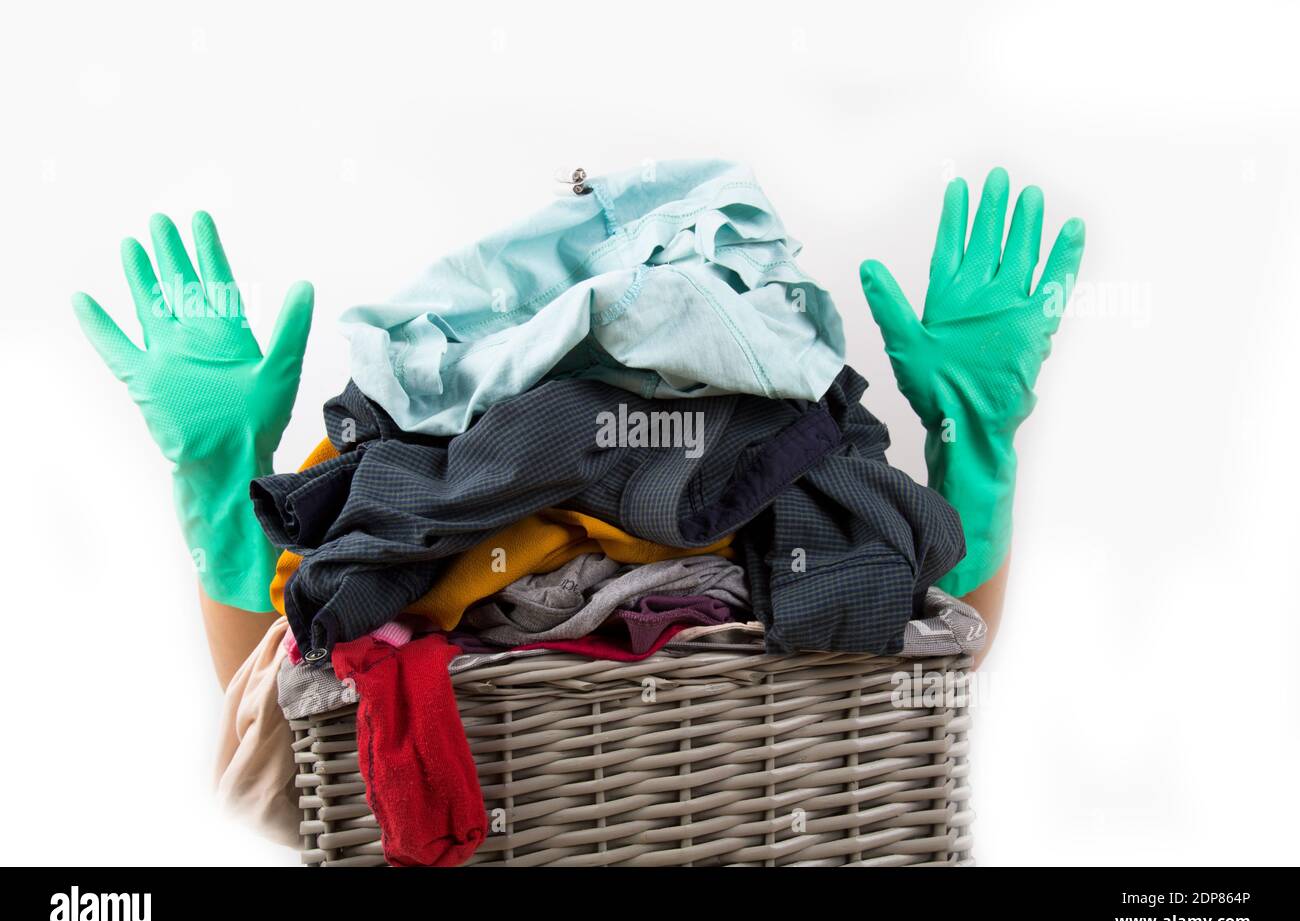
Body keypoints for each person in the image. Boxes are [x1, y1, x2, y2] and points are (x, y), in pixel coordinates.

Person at [72, 169, 1083, 686]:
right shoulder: (397, 467)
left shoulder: (795, 471)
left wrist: (977, 441)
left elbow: (918, 678)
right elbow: (292, 721)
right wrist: (217, 476)